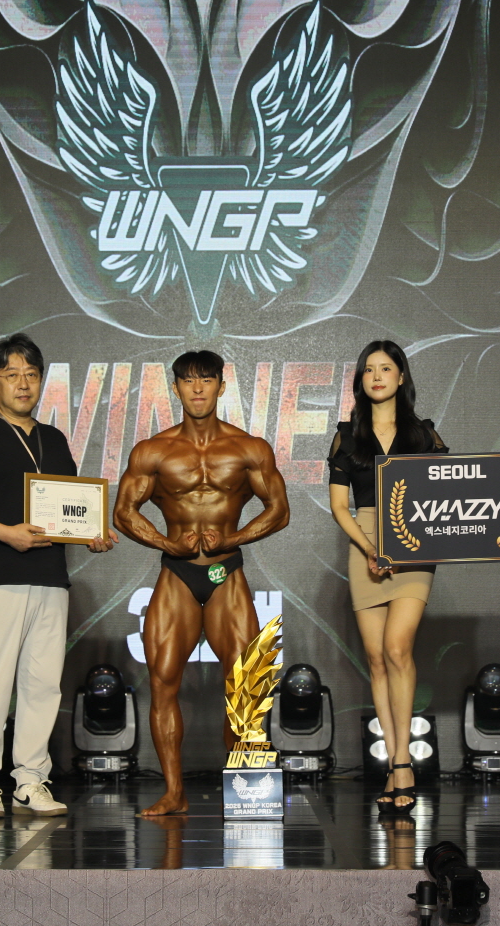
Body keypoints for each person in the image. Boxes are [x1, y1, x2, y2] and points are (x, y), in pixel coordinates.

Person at [0, 333, 115, 819]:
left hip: (51, 580)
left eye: (31, 375)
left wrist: (93, 534)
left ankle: (31, 780)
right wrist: (7, 534)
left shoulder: (53, 439)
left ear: (41, 381)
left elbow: (72, 509)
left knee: (42, 686)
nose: (23, 384)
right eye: (12, 375)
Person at [113, 350, 290, 816]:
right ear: (175, 388)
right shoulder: (152, 451)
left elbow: (279, 510)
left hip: (226, 572)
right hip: (177, 574)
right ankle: (174, 793)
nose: (197, 388)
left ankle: (247, 794)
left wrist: (233, 537)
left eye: (206, 380)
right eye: (188, 381)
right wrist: (166, 543)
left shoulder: (249, 448)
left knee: (246, 686)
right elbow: (123, 512)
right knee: (163, 682)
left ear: (220, 386)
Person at [327, 341, 447, 812]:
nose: (377, 376)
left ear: (401, 377)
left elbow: (453, 490)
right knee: (377, 659)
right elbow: (340, 506)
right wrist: (370, 548)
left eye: (386, 368)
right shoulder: (346, 436)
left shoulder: (425, 435)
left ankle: (403, 763)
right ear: (361, 380)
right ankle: (395, 764)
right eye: (369, 370)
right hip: (366, 543)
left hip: (415, 543)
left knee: (398, 648)